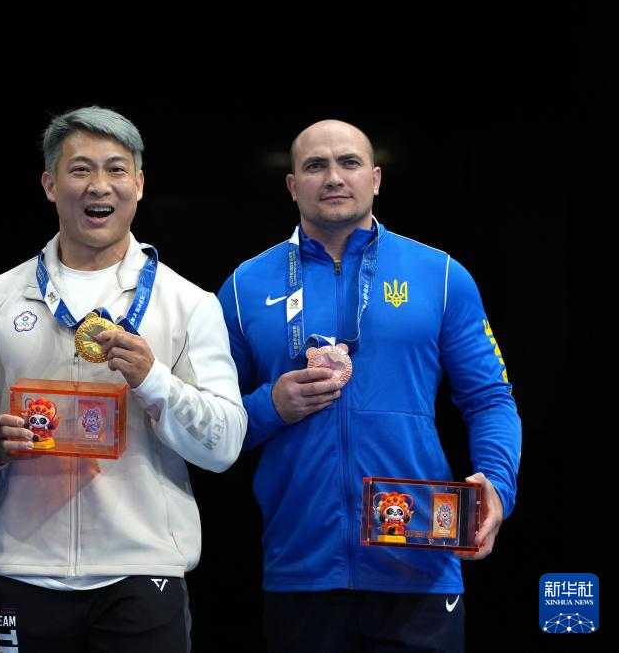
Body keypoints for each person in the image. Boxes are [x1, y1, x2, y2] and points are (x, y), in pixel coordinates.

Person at [0, 106, 247, 652]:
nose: (99, 185)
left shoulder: (190, 304)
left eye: (115, 169)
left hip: (144, 572)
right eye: (80, 169)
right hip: (23, 569)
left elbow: (225, 443)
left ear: (139, 183)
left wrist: (154, 380)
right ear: (49, 184)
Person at [217, 119, 521, 652]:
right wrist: (271, 406)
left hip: (420, 559)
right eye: (315, 165)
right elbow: (210, 423)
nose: (333, 177)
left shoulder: (440, 275)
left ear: (375, 179)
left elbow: (491, 398)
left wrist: (497, 481)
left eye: (349, 163)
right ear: (292, 185)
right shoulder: (244, 287)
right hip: (301, 564)